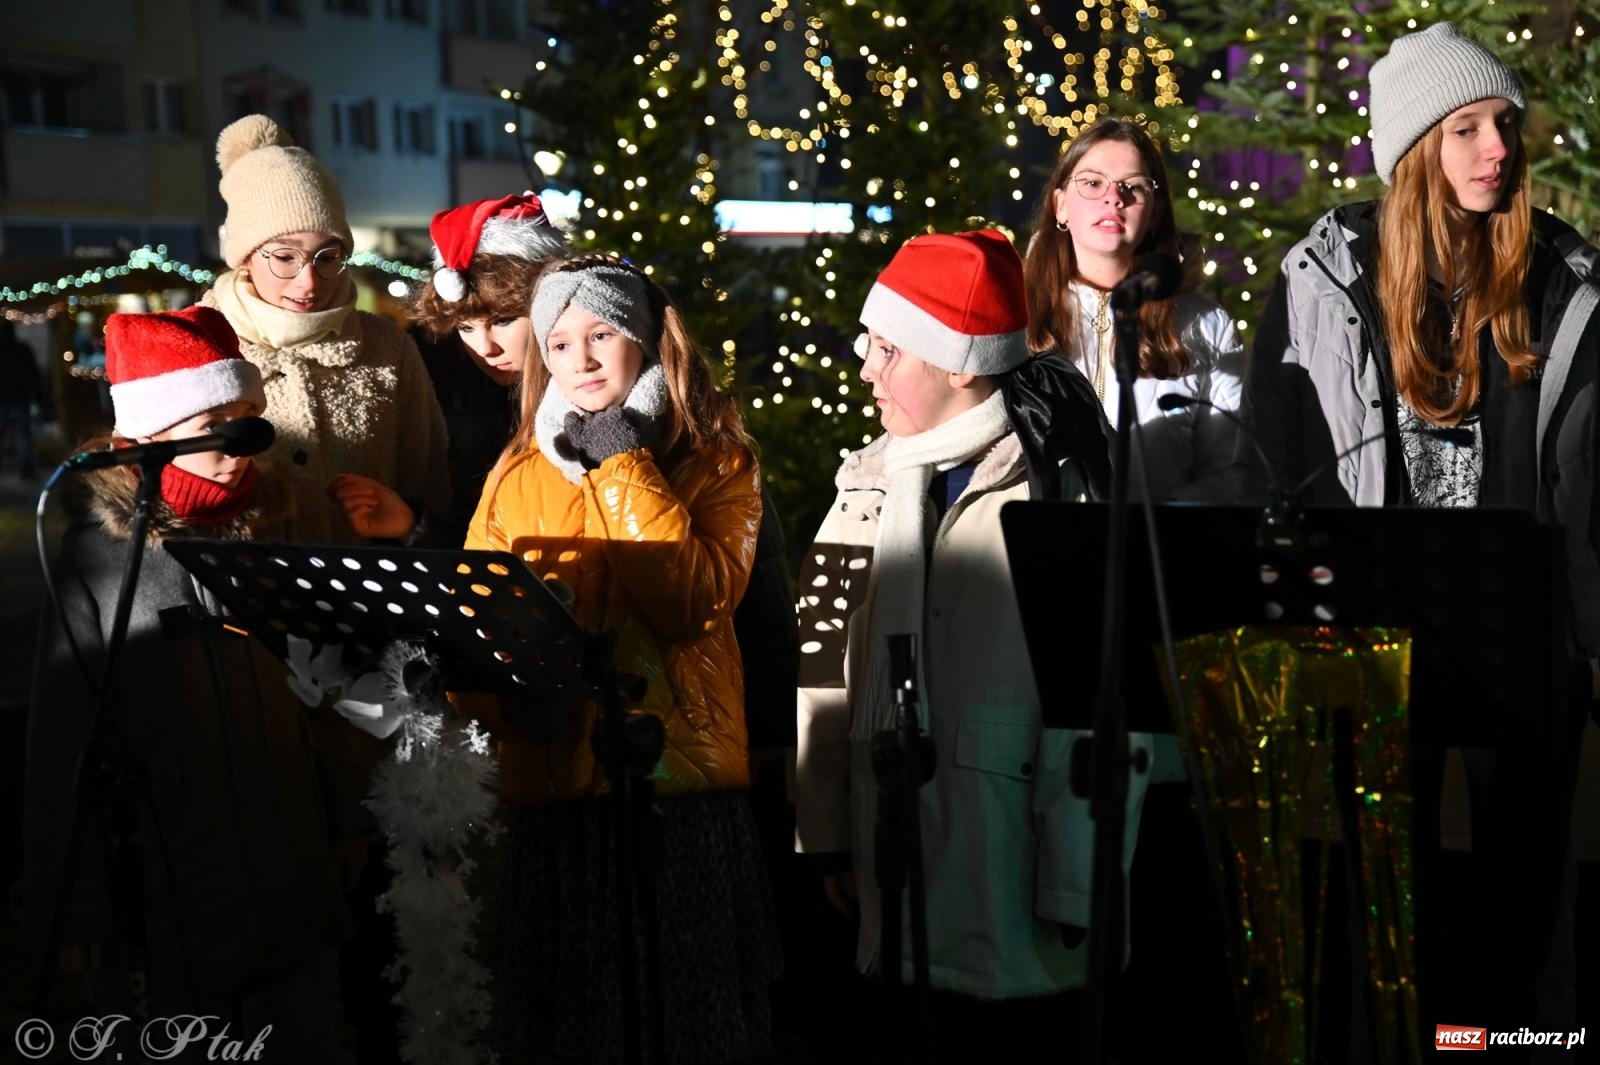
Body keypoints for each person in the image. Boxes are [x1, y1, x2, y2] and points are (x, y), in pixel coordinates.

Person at [1242, 21, 1599, 1045]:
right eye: (1466, 128)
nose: (1498, 148)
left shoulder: (1562, 283)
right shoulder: (1323, 278)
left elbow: (1589, 489)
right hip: (1374, 642)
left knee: (1521, 918)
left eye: (1505, 124)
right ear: (1412, 151)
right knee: (1387, 914)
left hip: (1522, 642)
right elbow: (1272, 464)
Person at [792, 229, 1138, 1057]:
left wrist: (1078, 881)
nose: (866, 370)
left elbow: (1101, 704)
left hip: (1010, 882)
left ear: (959, 365)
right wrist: (828, 831)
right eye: (867, 345)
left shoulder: (1061, 489)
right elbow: (820, 667)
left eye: (888, 350)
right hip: (894, 864)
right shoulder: (861, 491)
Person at [453, 253, 782, 1064]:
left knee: (684, 1023)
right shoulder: (515, 473)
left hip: (677, 786)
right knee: (568, 1029)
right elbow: (473, 627)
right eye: (560, 343)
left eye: (602, 334)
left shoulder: (715, 459)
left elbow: (692, 600)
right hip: (556, 789)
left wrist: (621, 462)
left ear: (644, 338)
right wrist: (509, 700)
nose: (582, 360)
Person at [20, 306, 348, 1060]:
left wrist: (342, 814)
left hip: (281, 878)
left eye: (242, 420)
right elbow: (61, 742)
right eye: (211, 424)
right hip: (168, 896)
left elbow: (327, 688)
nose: (234, 446)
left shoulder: (278, 529)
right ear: (152, 434)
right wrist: (77, 909)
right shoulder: (97, 562)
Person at [200, 113, 451, 546]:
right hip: (242, 585)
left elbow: (430, 482)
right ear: (245, 257)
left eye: (328, 257)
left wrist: (409, 522)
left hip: (372, 584)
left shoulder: (386, 348)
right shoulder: (199, 345)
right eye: (285, 257)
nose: (309, 282)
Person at [1024, 117, 1245, 503]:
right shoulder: (1016, 314)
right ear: (1060, 206)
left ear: (1154, 212)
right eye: (1093, 183)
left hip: (1156, 539)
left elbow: (1231, 472)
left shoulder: (1205, 326)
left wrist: (1149, 521)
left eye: (1134, 187)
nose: (1114, 197)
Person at [402, 191, 566, 544]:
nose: (486, 348)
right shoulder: (463, 414)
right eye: (465, 328)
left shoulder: (597, 395)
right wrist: (412, 526)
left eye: (504, 320)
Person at [0, 317, 41, 479]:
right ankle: (26, 470)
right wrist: (38, 396)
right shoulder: (23, 350)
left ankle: (26, 469)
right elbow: (33, 373)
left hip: (4, 397)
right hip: (20, 396)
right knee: (24, 435)